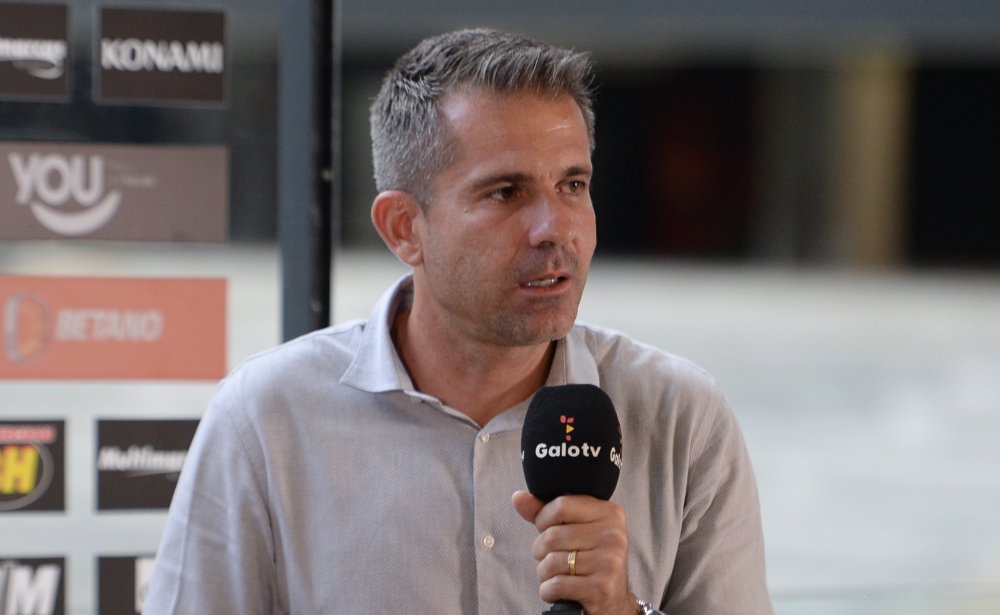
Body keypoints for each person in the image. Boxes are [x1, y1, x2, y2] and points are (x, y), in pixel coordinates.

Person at [145, 28, 772, 615]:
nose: (555, 228)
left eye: (573, 184)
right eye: (506, 192)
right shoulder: (267, 418)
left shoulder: (680, 417)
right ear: (403, 229)